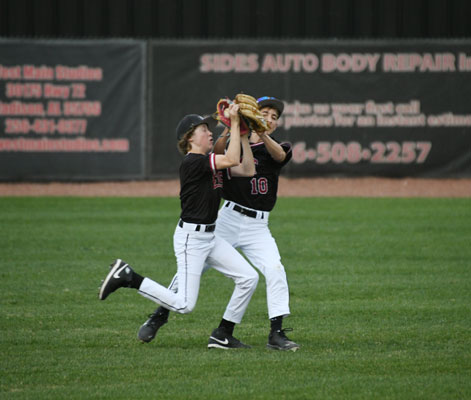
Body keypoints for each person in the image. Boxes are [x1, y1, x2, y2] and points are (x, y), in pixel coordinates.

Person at [139, 96, 300, 351]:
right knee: (196, 265)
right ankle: (160, 314)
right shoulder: (234, 141)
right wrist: (234, 127)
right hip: (228, 218)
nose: (270, 119)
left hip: (258, 226)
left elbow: (279, 156)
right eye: (265, 113)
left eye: (274, 117)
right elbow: (217, 151)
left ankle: (275, 333)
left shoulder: (276, 146)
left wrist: (257, 131)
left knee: (275, 269)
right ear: (253, 113)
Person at [99, 103, 259, 349]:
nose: (209, 132)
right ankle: (129, 277)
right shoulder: (193, 162)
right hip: (191, 240)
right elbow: (230, 158)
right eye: (203, 129)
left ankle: (223, 334)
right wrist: (235, 124)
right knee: (184, 304)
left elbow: (246, 169)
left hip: (211, 238)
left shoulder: (207, 160)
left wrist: (237, 131)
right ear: (189, 138)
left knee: (248, 278)